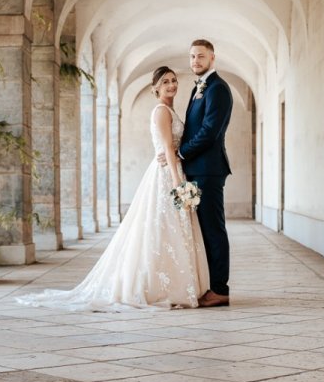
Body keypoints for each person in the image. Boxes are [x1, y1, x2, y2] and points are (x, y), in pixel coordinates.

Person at [16, 66, 209, 311]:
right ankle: (159, 286)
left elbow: (174, 149)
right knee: (161, 227)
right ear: (156, 88)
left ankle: (174, 283)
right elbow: (168, 151)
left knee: (168, 229)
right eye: (165, 82)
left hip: (173, 169)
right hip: (166, 175)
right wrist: (176, 181)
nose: (171, 85)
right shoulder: (161, 111)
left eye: (173, 80)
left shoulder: (170, 109)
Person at [159, 39, 233, 308]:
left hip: (209, 170)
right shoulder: (199, 87)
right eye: (192, 57)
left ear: (212, 58)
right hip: (196, 168)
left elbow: (210, 131)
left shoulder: (218, 89)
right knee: (202, 230)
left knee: (214, 229)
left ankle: (220, 289)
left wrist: (179, 154)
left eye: (201, 56)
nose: (195, 61)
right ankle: (207, 286)